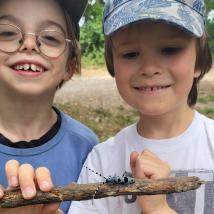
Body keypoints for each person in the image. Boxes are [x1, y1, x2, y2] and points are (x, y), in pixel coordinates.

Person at [68, 0, 214, 213]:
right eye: (131, 54)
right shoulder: (101, 161)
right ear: (112, 65)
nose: (149, 68)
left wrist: (159, 210)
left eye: (169, 49)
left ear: (199, 62)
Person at [0, 0, 98, 213]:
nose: (29, 44)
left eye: (51, 37)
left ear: (70, 66)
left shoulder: (88, 149)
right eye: (7, 33)